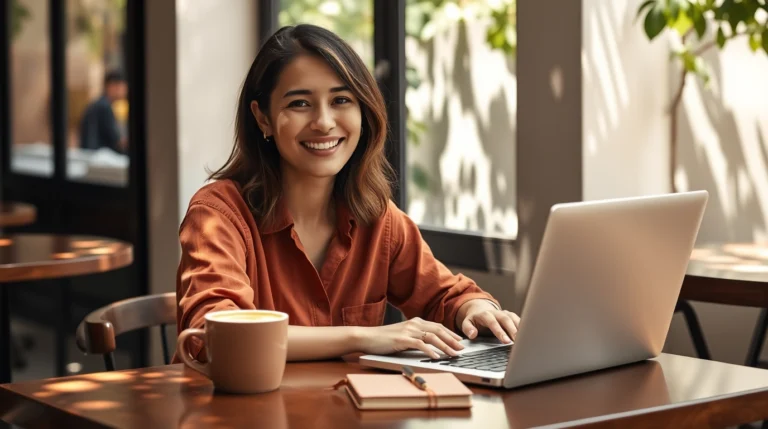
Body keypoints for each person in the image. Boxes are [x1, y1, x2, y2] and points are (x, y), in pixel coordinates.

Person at [175, 24, 520, 363]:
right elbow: (219, 336)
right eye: (299, 104)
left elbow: (444, 295)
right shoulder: (218, 214)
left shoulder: (376, 217)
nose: (324, 122)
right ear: (262, 118)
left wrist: (477, 310)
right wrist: (364, 337)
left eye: (341, 99)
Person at [79, 70, 128, 153]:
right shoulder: (104, 107)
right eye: (123, 87)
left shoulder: (98, 104)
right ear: (112, 86)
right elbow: (116, 141)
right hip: (100, 158)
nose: (125, 91)